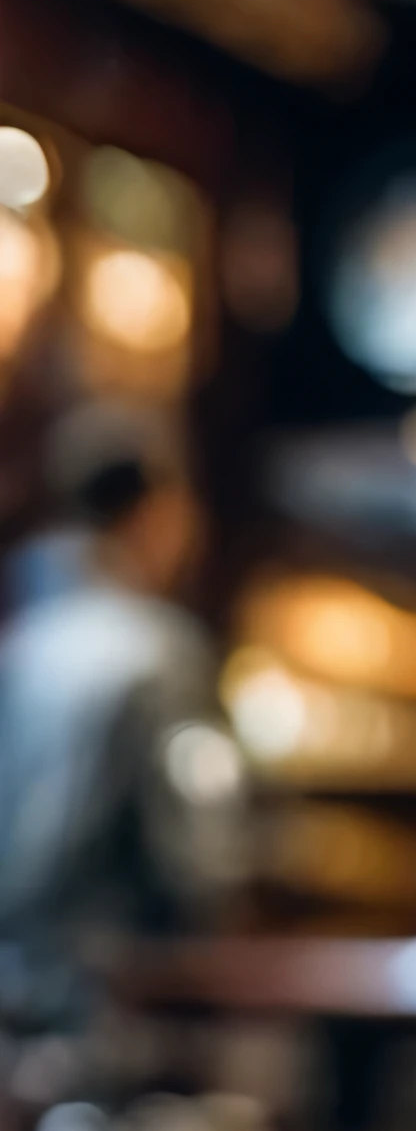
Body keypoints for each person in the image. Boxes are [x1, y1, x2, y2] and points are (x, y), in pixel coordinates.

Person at [0, 406, 246, 1028]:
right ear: (155, 510)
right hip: (107, 997)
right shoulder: (159, 654)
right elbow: (199, 854)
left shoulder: (21, 648)